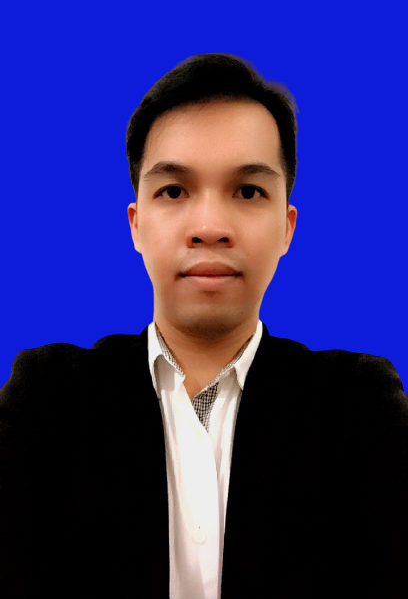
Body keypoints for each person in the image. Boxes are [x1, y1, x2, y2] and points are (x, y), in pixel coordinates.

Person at [1, 53, 407, 599]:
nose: (210, 227)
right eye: (173, 191)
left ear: (286, 227)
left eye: (248, 192)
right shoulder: (48, 399)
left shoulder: (358, 406)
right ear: (136, 224)